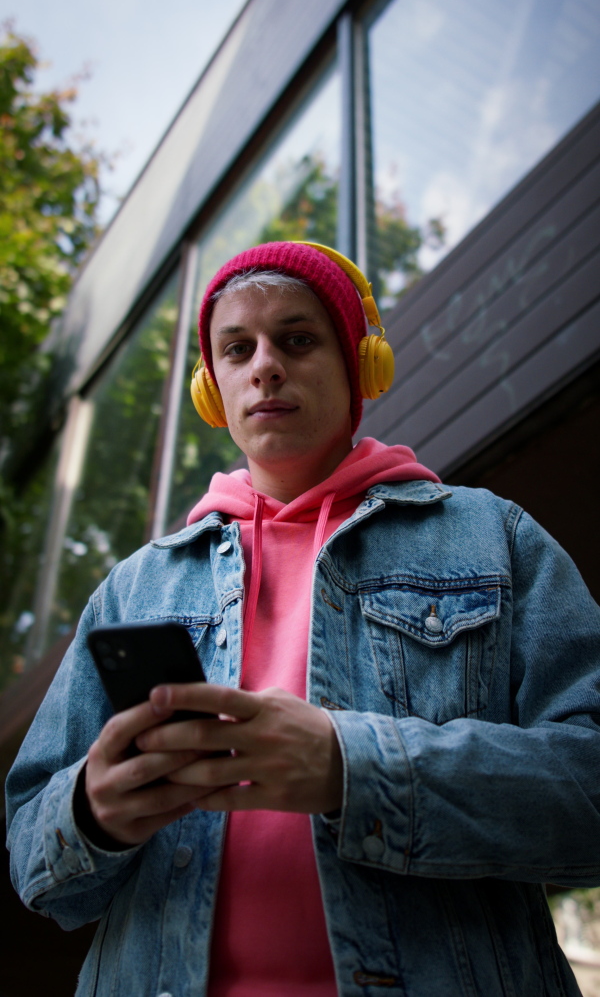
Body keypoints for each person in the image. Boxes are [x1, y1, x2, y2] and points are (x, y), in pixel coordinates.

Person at [6, 240, 600, 997]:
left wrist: (354, 765)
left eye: (296, 339)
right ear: (212, 388)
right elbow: (34, 861)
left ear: (361, 366)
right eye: (237, 348)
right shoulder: (133, 587)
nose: (264, 365)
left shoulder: (497, 537)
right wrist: (90, 810)